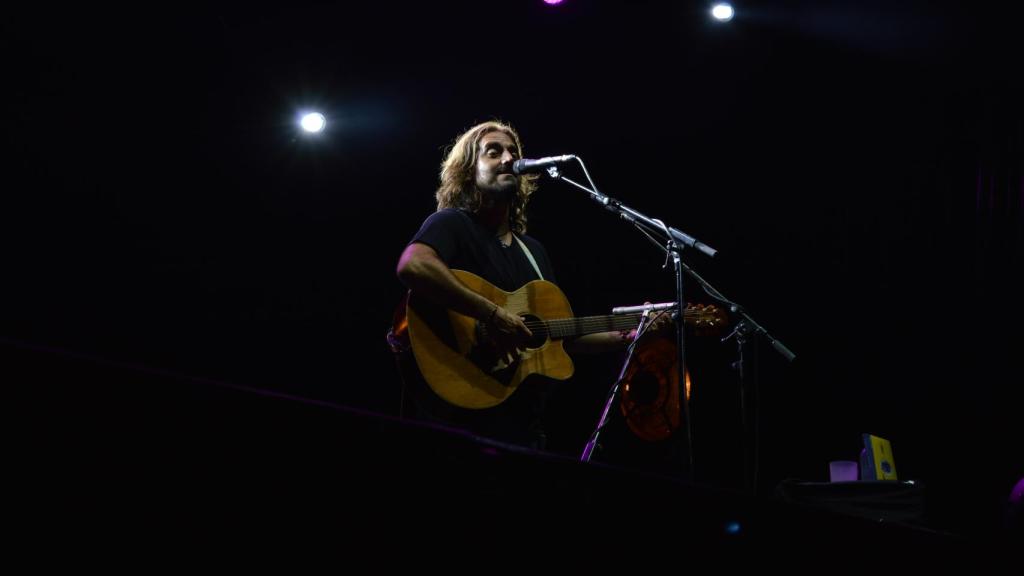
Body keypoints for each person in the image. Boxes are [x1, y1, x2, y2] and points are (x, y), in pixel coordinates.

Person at [393, 120, 666, 450]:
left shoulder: (533, 251)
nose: (508, 158)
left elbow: (558, 336)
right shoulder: (451, 224)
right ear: (468, 170)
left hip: (521, 426)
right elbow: (414, 265)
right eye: (493, 152)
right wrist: (494, 315)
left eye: (513, 152)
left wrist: (633, 332)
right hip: (456, 420)